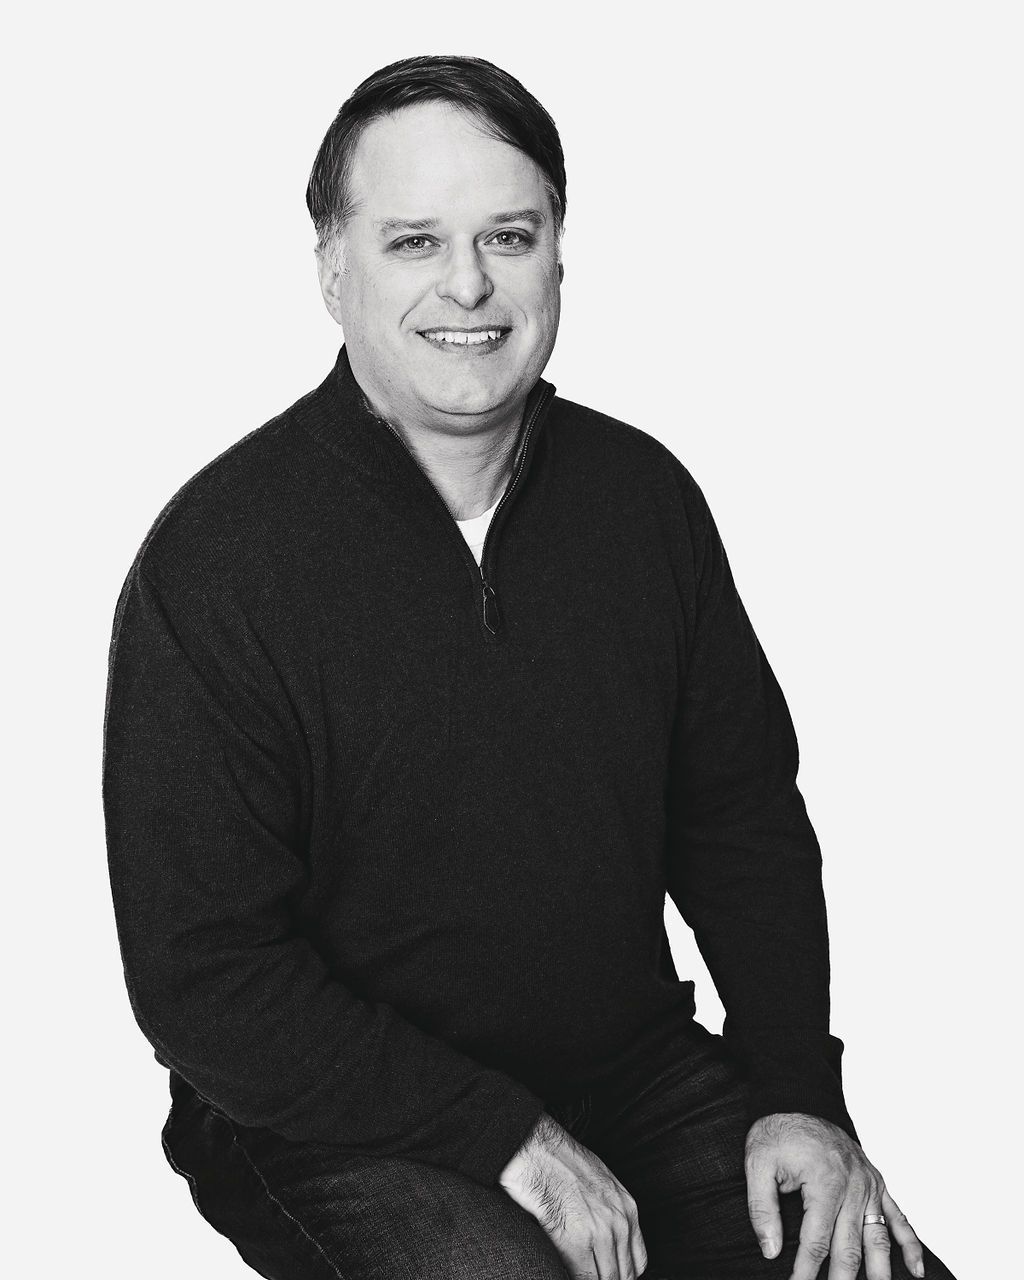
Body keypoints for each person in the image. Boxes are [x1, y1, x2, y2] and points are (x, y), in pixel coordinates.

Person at [102, 54, 956, 1280]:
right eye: (413, 241)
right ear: (332, 271)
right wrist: (501, 1135)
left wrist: (797, 1091)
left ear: (559, 252)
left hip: (633, 1073)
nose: (469, 282)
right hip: (331, 1123)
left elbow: (741, 823)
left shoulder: (641, 501)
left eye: (509, 232)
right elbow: (204, 978)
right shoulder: (221, 560)